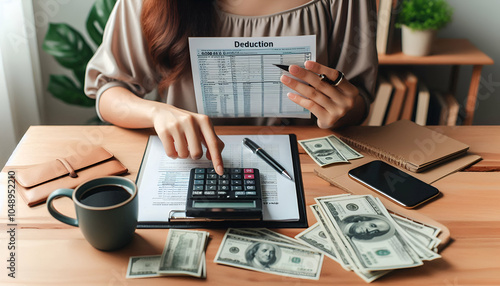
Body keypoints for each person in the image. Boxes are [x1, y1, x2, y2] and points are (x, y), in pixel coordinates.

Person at [84, 0, 378, 175]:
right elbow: (108, 87)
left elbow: (358, 100)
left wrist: (346, 109)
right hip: (192, 163)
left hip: (305, 168)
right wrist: (156, 113)